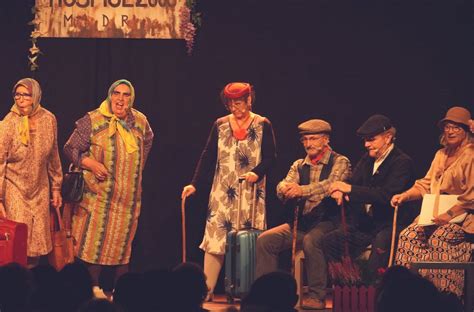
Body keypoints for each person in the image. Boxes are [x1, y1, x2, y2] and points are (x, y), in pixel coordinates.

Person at [181, 82, 276, 299]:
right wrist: (194, 183)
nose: (235, 107)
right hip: (222, 191)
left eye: (239, 102)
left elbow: (272, 157)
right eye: (231, 103)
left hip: (250, 192)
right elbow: (208, 156)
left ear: (249, 100)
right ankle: (206, 290)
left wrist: (257, 172)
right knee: (216, 239)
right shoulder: (220, 124)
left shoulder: (262, 124)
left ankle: (248, 291)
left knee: (248, 241)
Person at [63, 79, 154, 298]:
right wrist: (91, 164)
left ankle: (117, 291)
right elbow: (70, 148)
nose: (120, 99)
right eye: (117, 93)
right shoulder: (92, 120)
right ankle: (92, 287)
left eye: (125, 95)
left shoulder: (140, 121)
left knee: (122, 245)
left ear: (131, 99)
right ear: (110, 95)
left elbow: (148, 141)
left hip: (128, 198)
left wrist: (134, 170)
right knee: (94, 242)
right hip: (97, 196)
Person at [256, 119, 351, 310]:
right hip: (303, 223)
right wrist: (286, 189)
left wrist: (301, 190)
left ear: (326, 139)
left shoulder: (340, 161)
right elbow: (283, 184)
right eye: (305, 139)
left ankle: (317, 296)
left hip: (329, 222)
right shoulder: (300, 164)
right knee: (265, 240)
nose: (308, 144)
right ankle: (266, 295)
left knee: (311, 241)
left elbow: (330, 185)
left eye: (314, 138)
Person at [391, 106, 473, 297]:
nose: (451, 131)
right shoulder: (440, 155)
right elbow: (425, 184)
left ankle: (443, 296)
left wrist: (450, 214)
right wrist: (404, 195)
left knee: (439, 238)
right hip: (435, 214)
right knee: (408, 236)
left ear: (466, 130)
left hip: (464, 217)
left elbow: (472, 196)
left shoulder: (471, 155)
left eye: (457, 127)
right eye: (447, 127)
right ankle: (407, 294)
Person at [326, 114, 416, 277]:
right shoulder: (368, 160)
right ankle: (348, 288)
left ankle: (374, 294)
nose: (366, 144)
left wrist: (348, 189)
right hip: (367, 225)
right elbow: (353, 181)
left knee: (380, 248)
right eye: (365, 140)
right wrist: (340, 190)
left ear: (388, 138)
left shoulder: (402, 162)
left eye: (371, 139)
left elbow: (386, 195)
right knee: (332, 241)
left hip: (389, 224)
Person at [0, 78, 63, 268]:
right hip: (15, 187)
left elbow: (53, 156)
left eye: (25, 95)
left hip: (39, 187)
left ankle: (30, 285)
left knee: (37, 243)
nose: (20, 99)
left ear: (35, 96)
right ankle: (15, 286)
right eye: (17, 95)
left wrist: (56, 188)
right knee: (18, 241)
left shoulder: (48, 119)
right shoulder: (8, 123)